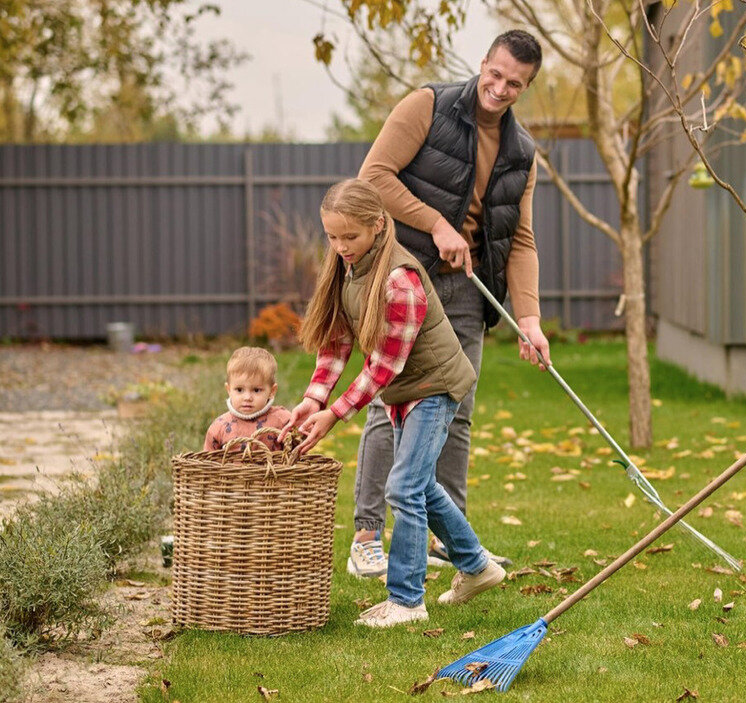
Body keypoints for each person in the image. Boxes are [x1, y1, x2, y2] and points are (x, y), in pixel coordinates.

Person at [348, 29, 551, 577]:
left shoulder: (522, 152)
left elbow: (521, 239)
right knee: (391, 402)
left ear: (525, 86)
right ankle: (368, 536)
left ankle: (450, 539)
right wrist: (436, 223)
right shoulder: (428, 105)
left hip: (466, 288)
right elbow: (374, 178)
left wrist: (529, 319)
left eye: (515, 83)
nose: (500, 87)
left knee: (455, 411)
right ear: (483, 62)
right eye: (496, 74)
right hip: (406, 278)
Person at [284, 179, 505, 627]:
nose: (341, 246)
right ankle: (477, 566)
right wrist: (314, 398)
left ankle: (406, 601)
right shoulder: (349, 270)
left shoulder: (399, 280)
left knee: (403, 487)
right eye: (332, 236)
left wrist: (335, 414)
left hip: (435, 387)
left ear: (379, 226)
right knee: (419, 486)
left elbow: (383, 366)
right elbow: (337, 340)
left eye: (351, 236)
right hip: (407, 391)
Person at [203, 347, 291, 451]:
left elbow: (301, 445)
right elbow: (208, 461)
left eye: (256, 390)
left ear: (272, 391)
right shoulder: (220, 426)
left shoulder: (282, 419)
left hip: (273, 467)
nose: (247, 398)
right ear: (229, 390)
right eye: (239, 390)